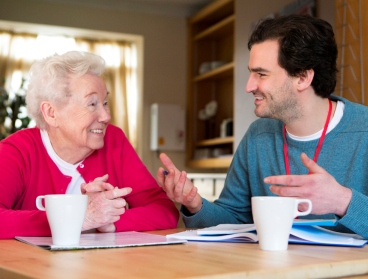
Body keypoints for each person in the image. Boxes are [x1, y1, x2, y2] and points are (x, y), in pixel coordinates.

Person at [157, 14, 368, 239]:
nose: (249, 86)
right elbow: (234, 219)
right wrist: (195, 204)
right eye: (251, 73)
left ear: (303, 77)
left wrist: (342, 200)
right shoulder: (258, 135)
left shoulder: (363, 131)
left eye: (261, 74)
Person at [0, 51, 179, 239]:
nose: (106, 117)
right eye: (92, 104)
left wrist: (108, 222)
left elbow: (164, 211)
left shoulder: (114, 141)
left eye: (105, 102)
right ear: (51, 113)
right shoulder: (16, 151)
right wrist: (77, 218)